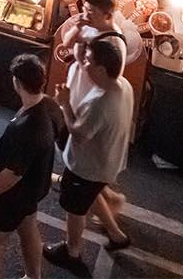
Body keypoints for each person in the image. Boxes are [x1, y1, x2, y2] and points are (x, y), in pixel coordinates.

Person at [45, 37, 136, 273]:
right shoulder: (123, 85)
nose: (84, 63)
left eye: (88, 60)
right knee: (91, 194)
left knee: (76, 208)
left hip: (87, 167)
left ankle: (71, 252)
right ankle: (116, 236)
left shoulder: (100, 101)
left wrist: (64, 104)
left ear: (102, 69)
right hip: (106, 164)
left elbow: (78, 133)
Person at [0, 54, 65, 279]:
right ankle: (34, 277)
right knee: (28, 227)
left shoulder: (28, 128)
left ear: (17, 83)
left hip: (13, 197)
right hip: (33, 189)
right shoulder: (50, 105)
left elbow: (13, 174)